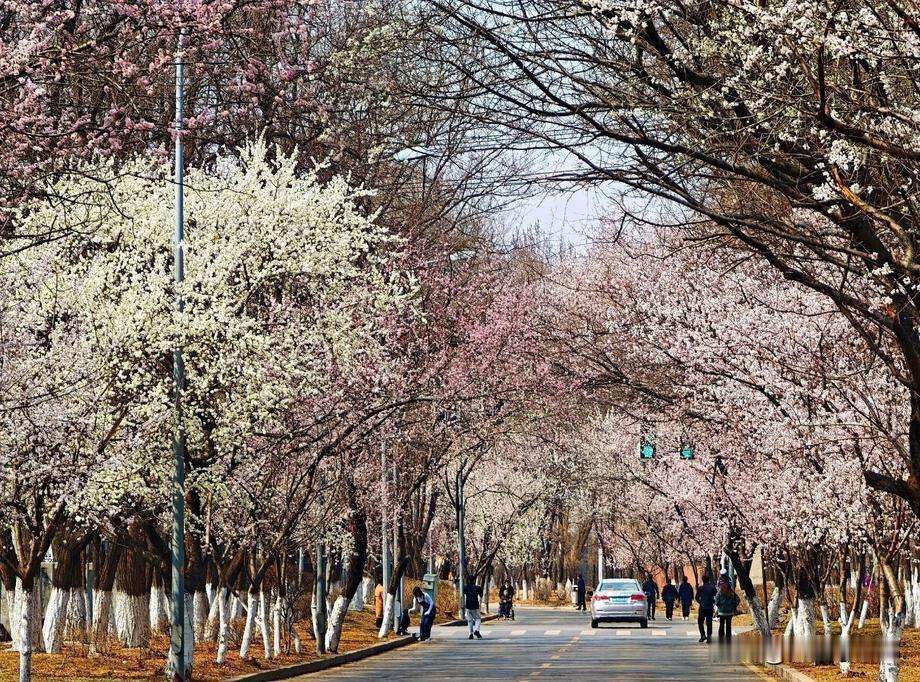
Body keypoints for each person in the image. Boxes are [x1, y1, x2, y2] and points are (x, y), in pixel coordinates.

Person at [695, 574, 718, 643]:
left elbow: (696, 598)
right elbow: (715, 595)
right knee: (709, 622)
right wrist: (712, 601)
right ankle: (709, 636)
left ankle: (702, 635)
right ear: (709, 580)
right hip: (710, 607)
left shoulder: (700, 588)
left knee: (700, 622)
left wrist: (701, 602)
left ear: (703, 580)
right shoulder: (712, 588)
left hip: (702, 607)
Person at [463, 574, 484, 639]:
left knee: (470, 620)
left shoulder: (465, 587)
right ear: (474, 580)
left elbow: (463, 593)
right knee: (478, 619)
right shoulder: (477, 587)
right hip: (475, 606)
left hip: (468, 606)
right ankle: (476, 630)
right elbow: (481, 595)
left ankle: (470, 634)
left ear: (468, 580)